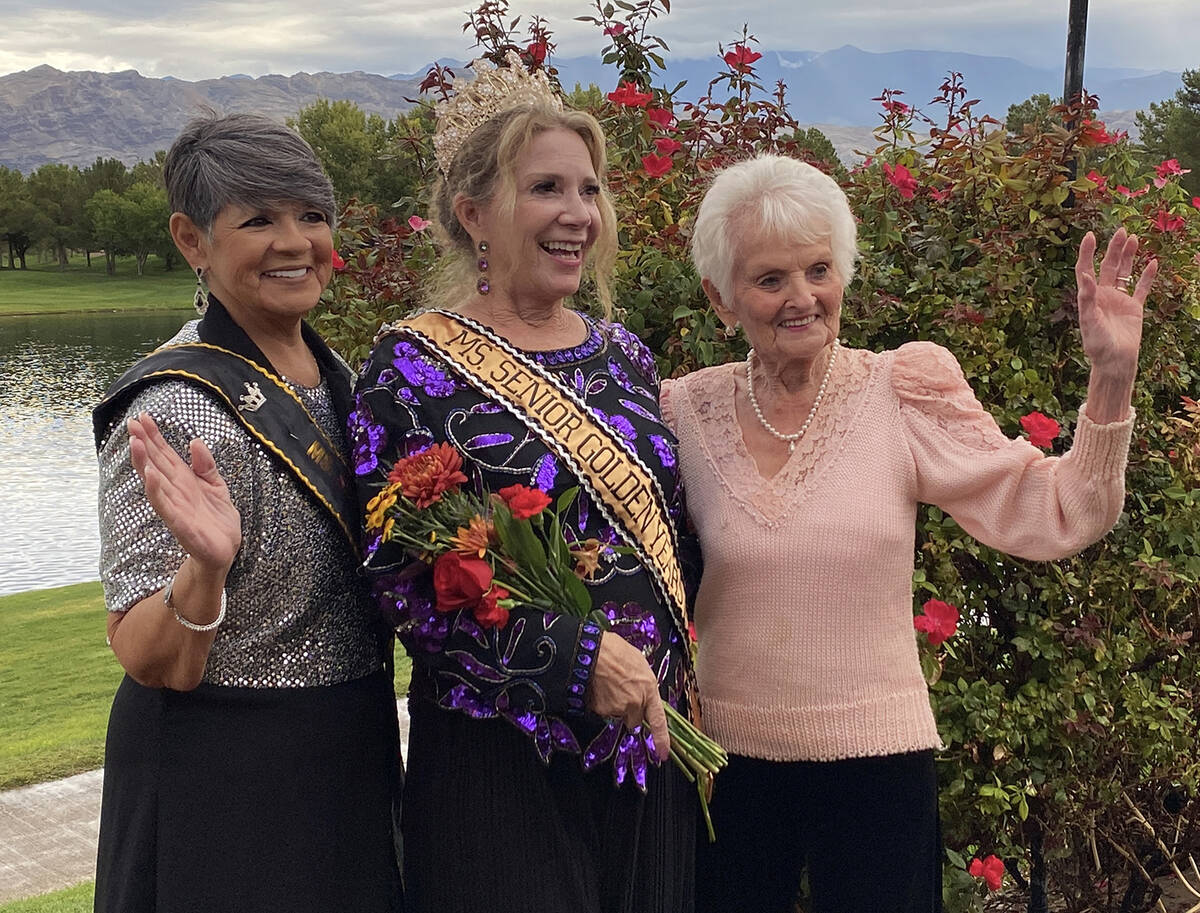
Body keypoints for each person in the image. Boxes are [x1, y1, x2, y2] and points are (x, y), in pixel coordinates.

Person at [659, 153, 1155, 913]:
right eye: (770, 279)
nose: (802, 298)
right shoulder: (680, 413)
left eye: (819, 269)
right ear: (719, 297)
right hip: (728, 767)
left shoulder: (901, 390)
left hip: (878, 762)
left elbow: (1060, 510)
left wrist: (1111, 378)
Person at [351, 52, 695, 913]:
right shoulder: (409, 366)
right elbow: (403, 583)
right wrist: (577, 662)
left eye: (590, 190)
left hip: (647, 751)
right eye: (547, 188)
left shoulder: (624, 354)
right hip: (498, 767)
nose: (579, 213)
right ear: (474, 215)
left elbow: (670, 541)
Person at [92, 113, 402, 913]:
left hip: (350, 749)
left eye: (312, 215)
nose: (295, 241)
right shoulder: (173, 409)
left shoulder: (345, 379)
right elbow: (147, 655)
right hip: (219, 774)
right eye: (258, 219)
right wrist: (205, 568)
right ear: (192, 240)